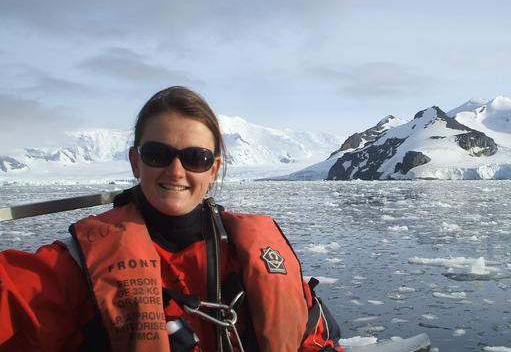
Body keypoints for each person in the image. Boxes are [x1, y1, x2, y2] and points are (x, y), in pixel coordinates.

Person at [0, 86, 343, 352]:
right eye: (158, 154)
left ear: (214, 169)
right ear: (136, 162)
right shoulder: (76, 266)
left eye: (196, 157)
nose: (176, 171)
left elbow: (315, 340)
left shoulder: (258, 256)